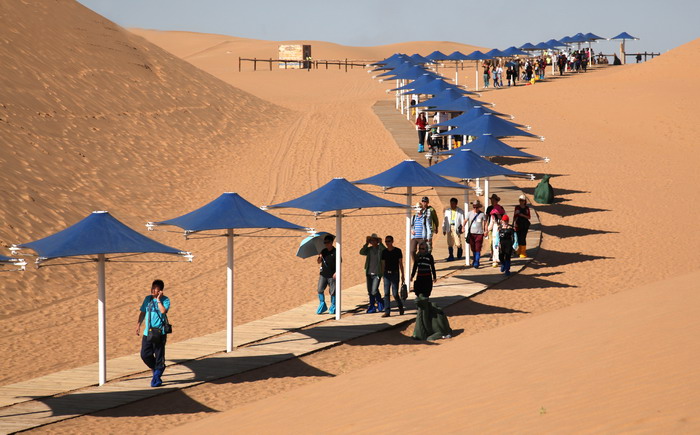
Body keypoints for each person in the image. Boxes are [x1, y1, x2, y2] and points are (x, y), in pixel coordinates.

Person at [137, 279, 170, 387]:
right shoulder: (147, 299)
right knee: (144, 355)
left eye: (156, 288)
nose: (153, 290)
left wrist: (158, 299)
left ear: (160, 290)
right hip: (148, 332)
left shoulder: (165, 300)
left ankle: (156, 378)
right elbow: (143, 312)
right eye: (152, 287)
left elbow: (163, 311)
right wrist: (138, 325)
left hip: (160, 333)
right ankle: (158, 368)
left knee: (159, 356)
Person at [360, 233, 385, 313]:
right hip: (369, 273)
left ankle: (380, 302)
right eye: (371, 240)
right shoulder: (369, 249)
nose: (373, 242)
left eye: (374, 240)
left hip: (377, 273)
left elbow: (384, 250)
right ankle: (372, 306)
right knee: (370, 291)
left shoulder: (380, 249)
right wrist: (366, 243)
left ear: (377, 241)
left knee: (374, 290)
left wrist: (381, 243)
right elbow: (362, 252)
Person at [381, 235, 405, 317]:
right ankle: (387, 311)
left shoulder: (398, 251)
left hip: (395, 273)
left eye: (389, 241)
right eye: (386, 241)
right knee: (386, 293)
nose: (387, 243)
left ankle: (400, 306)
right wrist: (383, 275)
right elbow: (383, 264)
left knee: (395, 293)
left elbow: (401, 264)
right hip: (387, 274)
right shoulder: (384, 252)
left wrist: (402, 275)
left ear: (392, 241)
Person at [316, 234, 336, 314]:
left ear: (331, 242)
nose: (326, 244)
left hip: (332, 275)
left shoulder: (335, 251)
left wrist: (336, 272)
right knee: (320, 289)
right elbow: (318, 262)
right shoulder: (323, 251)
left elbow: (339, 262)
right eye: (325, 242)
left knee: (333, 292)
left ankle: (333, 306)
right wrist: (320, 257)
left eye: (327, 242)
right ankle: (322, 304)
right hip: (323, 274)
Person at [466, 200, 487, 268]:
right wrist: (463, 227)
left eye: (476, 207)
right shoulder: (469, 213)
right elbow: (465, 220)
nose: (475, 208)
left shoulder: (482, 214)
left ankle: (477, 261)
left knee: (478, 247)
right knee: (473, 248)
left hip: (479, 233)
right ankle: (475, 259)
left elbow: (485, 223)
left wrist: (485, 230)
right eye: (474, 207)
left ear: (478, 207)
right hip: (472, 233)